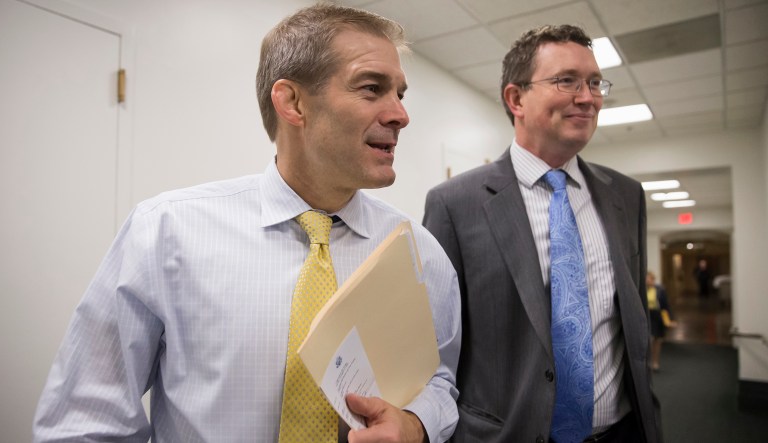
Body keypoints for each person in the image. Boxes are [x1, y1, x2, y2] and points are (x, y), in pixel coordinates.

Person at [33, 4, 461, 443]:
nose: (400, 115)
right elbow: (85, 422)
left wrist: (415, 424)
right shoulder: (165, 233)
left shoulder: (420, 253)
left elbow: (439, 381)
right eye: (372, 89)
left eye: (400, 94)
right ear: (292, 102)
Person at [423, 24, 662, 442]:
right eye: (566, 81)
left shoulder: (626, 196)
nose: (587, 97)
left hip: (621, 432)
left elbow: (632, 323)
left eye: (593, 83)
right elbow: (432, 348)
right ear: (516, 98)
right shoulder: (454, 204)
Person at [646, 272, 676, 371]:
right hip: (647, 316)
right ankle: (648, 362)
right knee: (648, 340)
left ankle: (655, 362)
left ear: (653, 279)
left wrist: (670, 320)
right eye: (646, 278)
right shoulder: (641, 289)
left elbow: (665, 306)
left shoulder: (660, 290)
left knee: (657, 340)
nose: (647, 280)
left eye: (649, 278)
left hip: (657, 316)